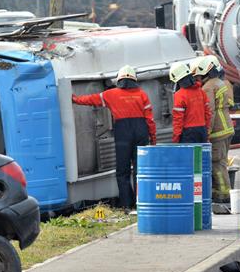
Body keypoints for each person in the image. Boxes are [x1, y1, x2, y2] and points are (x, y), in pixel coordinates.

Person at [72, 65, 157, 213]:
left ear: (119, 80)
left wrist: (74, 99)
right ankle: (142, 202)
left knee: (122, 170)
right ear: (134, 80)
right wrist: (153, 139)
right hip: (141, 131)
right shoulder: (142, 95)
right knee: (141, 169)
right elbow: (150, 120)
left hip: (123, 132)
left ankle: (127, 205)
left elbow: (90, 99)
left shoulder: (111, 94)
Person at [192, 55, 235, 204]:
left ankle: (223, 195)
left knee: (217, 163)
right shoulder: (221, 82)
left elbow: (209, 112)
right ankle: (224, 192)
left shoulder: (208, 87)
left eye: (197, 75)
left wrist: (207, 132)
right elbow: (229, 102)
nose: (196, 78)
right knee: (222, 161)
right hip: (227, 127)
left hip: (218, 130)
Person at [169, 61, 211, 144]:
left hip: (188, 133)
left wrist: (176, 138)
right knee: (200, 156)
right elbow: (207, 114)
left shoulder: (179, 95)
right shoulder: (201, 92)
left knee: (188, 156)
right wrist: (206, 130)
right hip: (202, 130)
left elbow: (178, 119)